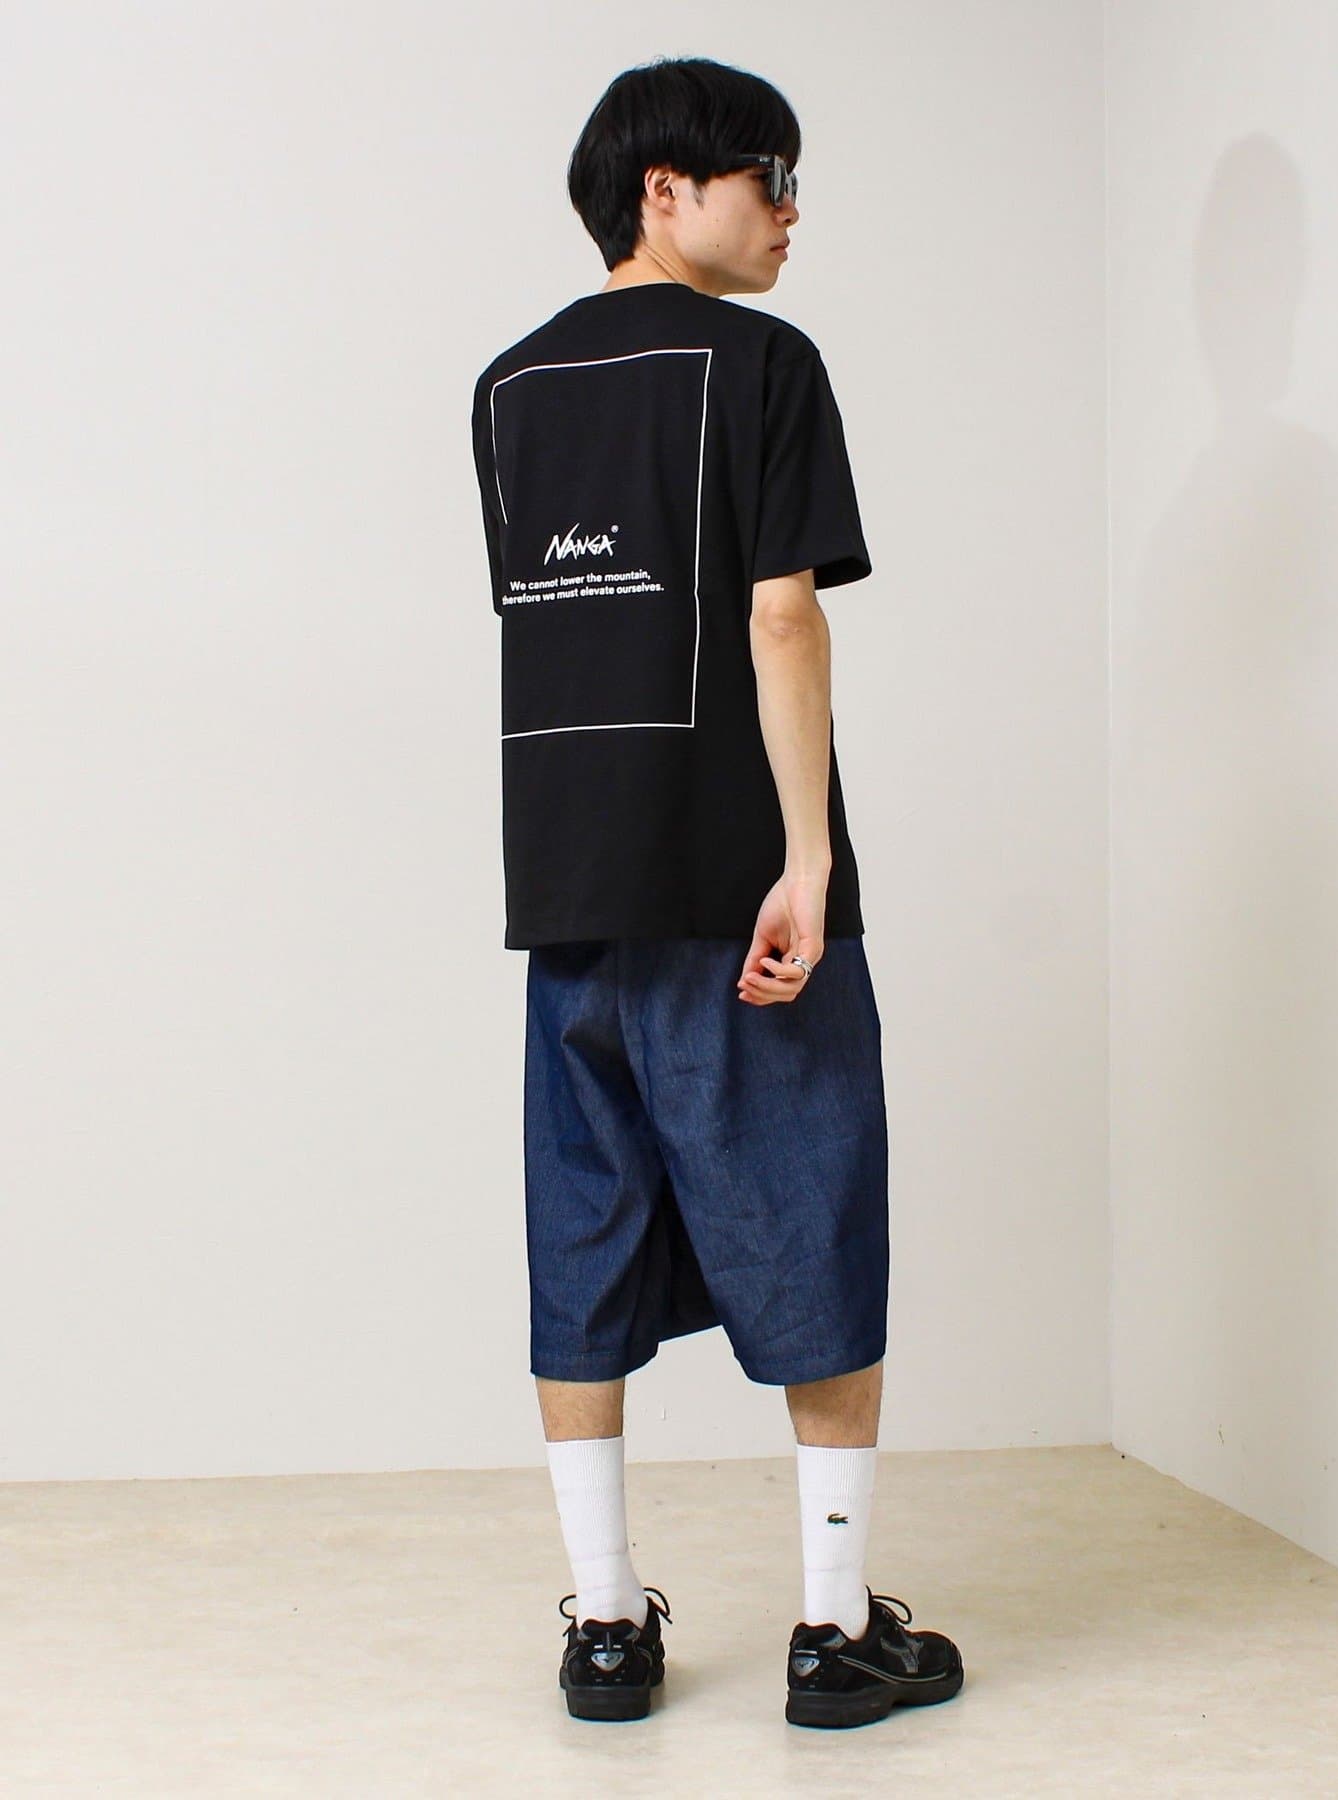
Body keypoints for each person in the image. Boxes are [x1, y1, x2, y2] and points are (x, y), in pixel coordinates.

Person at [469, 54, 963, 1730]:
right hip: (729, 883)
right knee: (812, 1215)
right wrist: (804, 862)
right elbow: (779, 615)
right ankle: (833, 1631)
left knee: (582, 1237)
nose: (793, 212)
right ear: (663, 188)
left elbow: (551, 633)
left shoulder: (507, 390)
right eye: (771, 177)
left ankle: (607, 1625)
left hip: (568, 887)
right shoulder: (764, 363)